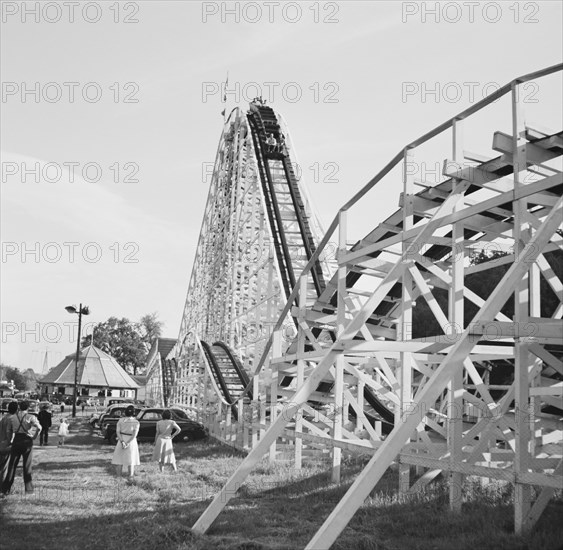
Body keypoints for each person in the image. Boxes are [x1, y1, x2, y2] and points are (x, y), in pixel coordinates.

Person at [1, 400, 42, 495]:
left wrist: (10, 441)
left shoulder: (12, 417)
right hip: (27, 440)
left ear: (19, 407)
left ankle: (5, 489)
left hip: (17, 440)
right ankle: (29, 490)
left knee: (12, 466)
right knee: (27, 466)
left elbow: (9, 431)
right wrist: (35, 436)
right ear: (28, 408)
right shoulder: (31, 417)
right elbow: (39, 427)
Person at [111, 405, 140, 478]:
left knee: (119, 459)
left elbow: (117, 432)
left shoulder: (120, 420)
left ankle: (118, 476)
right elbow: (134, 435)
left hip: (122, 438)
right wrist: (128, 442)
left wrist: (122, 442)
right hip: (131, 441)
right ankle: (130, 476)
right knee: (131, 459)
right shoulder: (136, 422)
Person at [0, 401, 18, 487]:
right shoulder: (12, 419)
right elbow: (9, 433)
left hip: (1, 443)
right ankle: (2, 487)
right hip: (6, 445)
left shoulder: (4, 417)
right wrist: (11, 442)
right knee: (4, 468)